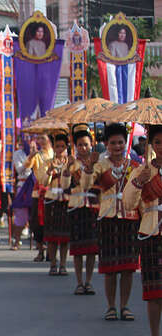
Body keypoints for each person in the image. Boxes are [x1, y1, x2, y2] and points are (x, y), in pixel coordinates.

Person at [84, 123, 140, 322]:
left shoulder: (134, 166)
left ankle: (125, 306)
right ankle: (110, 306)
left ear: (126, 143)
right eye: (113, 143)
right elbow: (88, 186)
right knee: (110, 268)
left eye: (121, 142)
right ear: (106, 144)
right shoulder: (100, 165)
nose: (117, 146)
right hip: (107, 218)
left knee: (128, 267)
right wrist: (89, 168)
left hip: (129, 218)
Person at [125, 125, 162, 336]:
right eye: (158, 142)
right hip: (151, 233)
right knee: (155, 291)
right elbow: (128, 204)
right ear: (151, 145)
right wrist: (141, 182)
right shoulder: (141, 171)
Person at [67, 126, 99, 296]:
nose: (83, 148)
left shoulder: (99, 162)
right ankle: (79, 282)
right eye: (80, 145)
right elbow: (66, 186)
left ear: (91, 144)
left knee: (92, 249)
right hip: (76, 206)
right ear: (75, 146)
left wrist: (92, 165)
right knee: (78, 249)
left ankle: (89, 281)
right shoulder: (72, 163)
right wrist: (67, 169)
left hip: (93, 206)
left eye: (86, 144)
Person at [42, 133, 73, 276]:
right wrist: (50, 171)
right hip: (51, 200)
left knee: (65, 236)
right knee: (52, 235)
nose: (60, 149)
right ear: (53, 147)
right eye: (57, 146)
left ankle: (63, 264)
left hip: (66, 199)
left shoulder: (71, 162)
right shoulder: (48, 161)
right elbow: (42, 182)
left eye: (62, 146)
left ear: (67, 147)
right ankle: (53, 263)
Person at [25, 133, 53, 262]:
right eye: (39, 138)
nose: (41, 140)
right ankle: (40, 250)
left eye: (43, 138)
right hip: (38, 192)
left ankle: (51, 252)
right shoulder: (37, 155)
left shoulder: (55, 154)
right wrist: (31, 155)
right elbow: (27, 166)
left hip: (53, 192)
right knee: (37, 222)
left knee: (51, 223)